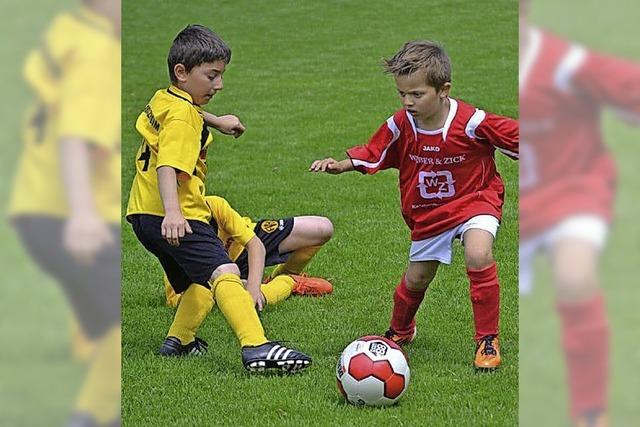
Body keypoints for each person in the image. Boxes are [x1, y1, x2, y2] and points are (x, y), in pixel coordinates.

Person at [310, 40, 518, 370]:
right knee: (417, 279)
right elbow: (374, 150)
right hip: (429, 213)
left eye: (417, 94)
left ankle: (487, 341)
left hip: (475, 199)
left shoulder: (472, 122)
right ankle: (401, 330)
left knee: (478, 254)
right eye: (402, 94)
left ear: (443, 89)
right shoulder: (401, 124)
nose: (408, 102)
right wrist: (340, 164)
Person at [125, 24, 312, 373]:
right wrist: (174, 213)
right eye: (211, 76)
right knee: (224, 271)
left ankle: (178, 341)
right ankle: (257, 347)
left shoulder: (166, 99)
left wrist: (217, 121)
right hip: (177, 215)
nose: (219, 85)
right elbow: (169, 164)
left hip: (141, 214)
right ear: (182, 72)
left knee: (200, 281)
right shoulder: (184, 117)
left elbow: (177, 116)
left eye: (220, 75)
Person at [519, 0, 640, 424]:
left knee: (574, 277)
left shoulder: (565, 63)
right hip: (521, 207)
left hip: (574, 190)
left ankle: (590, 413)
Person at [8, 1, 122, 425]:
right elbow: (75, 135)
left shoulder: (66, 31)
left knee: (97, 315)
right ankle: (91, 414)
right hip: (68, 214)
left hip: (32, 204)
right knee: (118, 327)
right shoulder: (97, 51)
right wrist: (82, 214)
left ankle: (85, 351)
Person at [163, 196, 334, 308]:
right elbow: (177, 300)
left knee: (322, 228)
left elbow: (254, 244)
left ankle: (279, 276)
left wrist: (253, 287)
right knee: (231, 296)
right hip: (217, 274)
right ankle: (288, 282)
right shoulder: (169, 228)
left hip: (245, 249)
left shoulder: (212, 204)